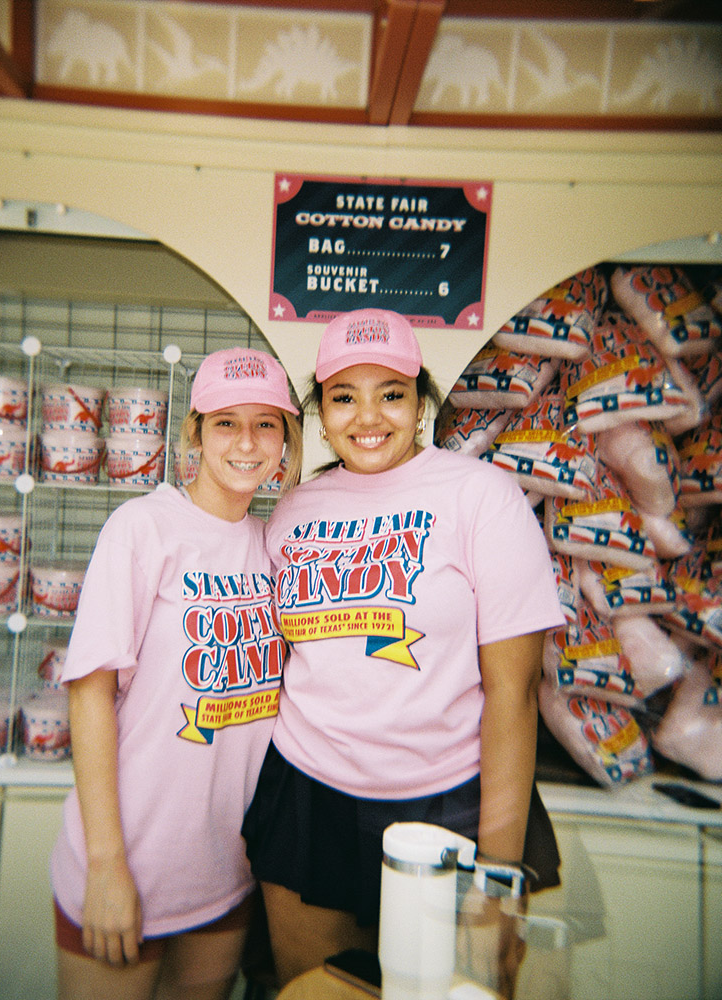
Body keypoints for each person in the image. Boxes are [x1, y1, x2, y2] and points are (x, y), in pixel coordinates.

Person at [242, 308, 566, 993]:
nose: (369, 416)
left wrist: (498, 876)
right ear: (320, 413)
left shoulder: (482, 497)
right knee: (315, 993)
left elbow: (514, 695)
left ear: (421, 402)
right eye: (343, 397)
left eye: (391, 392)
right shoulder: (294, 510)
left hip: (450, 804)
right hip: (307, 796)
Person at [49, 346, 302, 1000]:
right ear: (194, 433)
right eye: (225, 422)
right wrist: (107, 867)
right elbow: (90, 696)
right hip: (125, 868)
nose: (246, 441)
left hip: (225, 877)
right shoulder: (143, 528)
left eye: (266, 424)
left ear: (286, 440)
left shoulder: (276, 545)